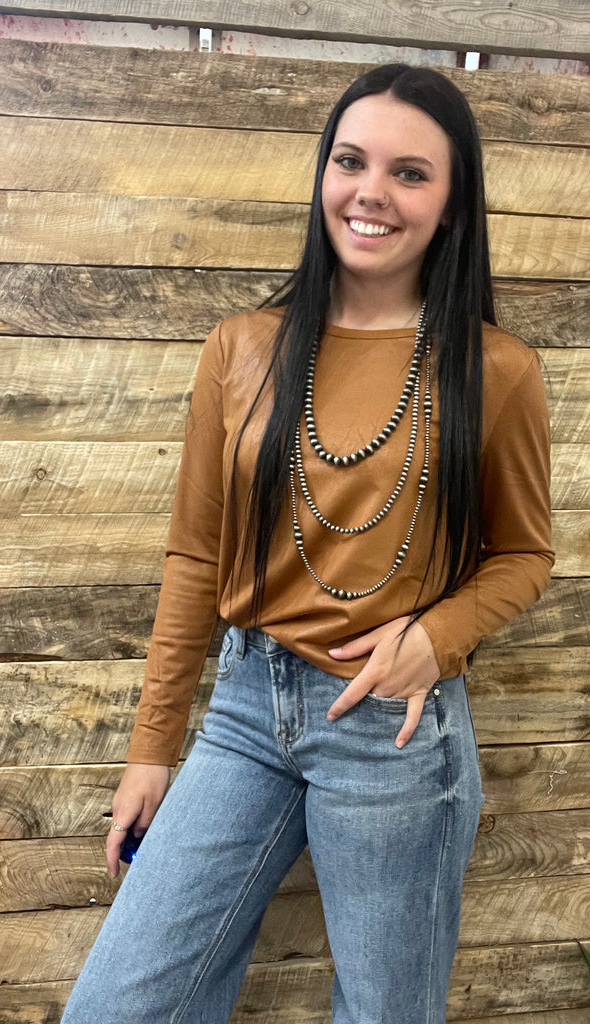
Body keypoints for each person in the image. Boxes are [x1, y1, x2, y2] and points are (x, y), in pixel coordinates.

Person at [61, 63, 553, 1024]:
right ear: (324, 174)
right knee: (121, 1004)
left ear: (453, 205)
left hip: (391, 727)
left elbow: (525, 555)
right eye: (351, 161)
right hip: (247, 708)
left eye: (411, 173)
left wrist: (438, 637)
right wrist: (152, 748)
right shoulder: (243, 347)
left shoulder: (496, 370)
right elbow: (196, 556)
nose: (372, 192)